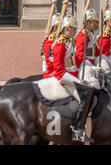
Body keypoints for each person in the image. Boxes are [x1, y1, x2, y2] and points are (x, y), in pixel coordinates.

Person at [52, 15, 94, 143]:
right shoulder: (60, 45)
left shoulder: (67, 43)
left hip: (71, 75)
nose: (75, 31)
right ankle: (77, 131)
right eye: (73, 29)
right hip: (62, 77)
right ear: (66, 29)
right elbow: (59, 70)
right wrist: (76, 81)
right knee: (83, 96)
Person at [42, 13, 60, 78]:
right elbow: (51, 62)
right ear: (55, 27)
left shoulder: (60, 39)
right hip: (53, 74)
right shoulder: (51, 41)